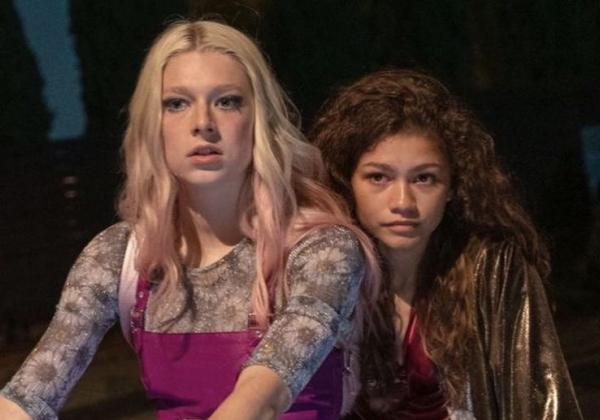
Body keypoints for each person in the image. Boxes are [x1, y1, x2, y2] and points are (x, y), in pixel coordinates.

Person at [0, 20, 379, 420]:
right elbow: (30, 395)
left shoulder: (322, 249)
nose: (203, 123)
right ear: (153, 124)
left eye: (227, 101)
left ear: (260, 119)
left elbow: (260, 400)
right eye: (176, 103)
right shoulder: (120, 256)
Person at [310, 69, 583, 419]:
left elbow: (544, 402)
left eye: (424, 178)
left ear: (453, 186)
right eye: (378, 177)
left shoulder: (492, 269)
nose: (403, 202)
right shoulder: (324, 272)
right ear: (347, 182)